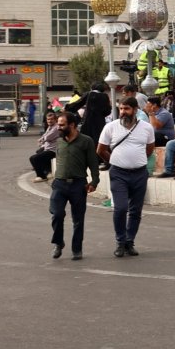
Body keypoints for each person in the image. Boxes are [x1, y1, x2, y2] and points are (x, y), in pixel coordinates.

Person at [98, 96, 156, 258]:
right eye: (121, 109)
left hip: (139, 174)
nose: (123, 112)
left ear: (135, 110)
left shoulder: (146, 128)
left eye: (126, 109)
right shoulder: (110, 127)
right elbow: (101, 150)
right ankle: (120, 242)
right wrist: (115, 161)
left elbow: (149, 149)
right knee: (120, 208)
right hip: (118, 174)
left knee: (136, 211)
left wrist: (136, 161)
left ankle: (130, 242)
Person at [49, 112, 100, 261]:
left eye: (62, 124)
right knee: (57, 214)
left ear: (72, 125)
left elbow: (93, 163)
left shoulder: (86, 141)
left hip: (78, 185)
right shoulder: (58, 141)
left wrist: (94, 181)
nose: (58, 127)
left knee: (78, 219)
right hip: (59, 184)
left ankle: (77, 249)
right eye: (58, 124)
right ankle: (58, 243)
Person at [29, 116, 63, 181]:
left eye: (51, 119)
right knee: (38, 152)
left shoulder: (56, 128)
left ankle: (41, 176)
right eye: (48, 119)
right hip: (48, 148)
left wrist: (41, 140)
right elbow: (44, 135)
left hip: (53, 150)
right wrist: (42, 141)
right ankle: (47, 171)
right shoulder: (50, 127)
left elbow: (47, 137)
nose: (49, 121)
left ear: (55, 120)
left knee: (34, 158)